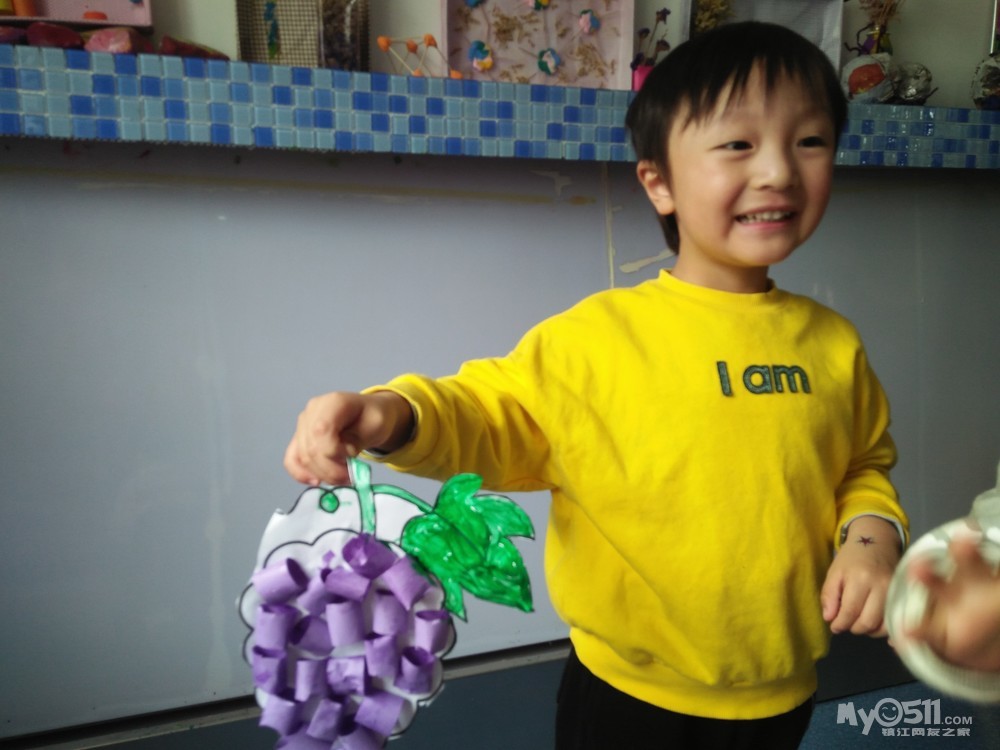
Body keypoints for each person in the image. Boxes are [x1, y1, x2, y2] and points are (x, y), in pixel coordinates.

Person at [285, 21, 909, 749]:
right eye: (738, 143)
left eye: (810, 140)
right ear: (659, 182)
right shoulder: (597, 340)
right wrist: (390, 414)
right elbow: (488, 412)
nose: (778, 170)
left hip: (780, 691)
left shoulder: (834, 345)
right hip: (624, 693)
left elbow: (862, 466)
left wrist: (872, 538)